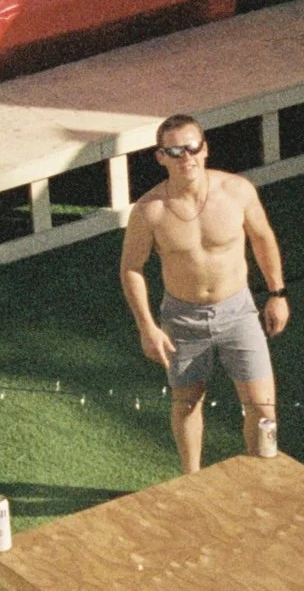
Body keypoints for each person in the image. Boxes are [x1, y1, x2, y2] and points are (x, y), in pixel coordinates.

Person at [120, 114, 289, 473]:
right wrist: (147, 327)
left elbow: (262, 238)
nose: (187, 157)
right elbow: (131, 268)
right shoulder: (150, 210)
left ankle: (260, 474)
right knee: (187, 402)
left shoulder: (237, 191)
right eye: (176, 150)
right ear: (161, 157)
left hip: (239, 312)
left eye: (193, 147)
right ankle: (191, 480)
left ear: (205, 147)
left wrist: (277, 293)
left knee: (262, 407)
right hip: (182, 318)